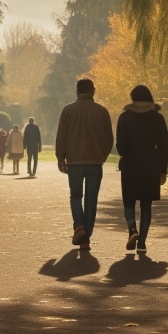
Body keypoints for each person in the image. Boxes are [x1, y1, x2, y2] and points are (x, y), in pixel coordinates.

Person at [56, 78, 113, 251]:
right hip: (95, 161)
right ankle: (85, 238)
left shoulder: (68, 110)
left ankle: (79, 226)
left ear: (77, 91)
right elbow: (109, 138)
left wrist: (61, 157)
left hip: (74, 162)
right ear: (93, 91)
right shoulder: (102, 111)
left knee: (75, 196)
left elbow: (62, 136)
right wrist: (102, 156)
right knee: (91, 200)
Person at [116, 85, 168, 254]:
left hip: (130, 163)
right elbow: (164, 146)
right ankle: (142, 242)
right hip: (150, 164)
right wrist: (163, 170)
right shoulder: (157, 118)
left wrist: (125, 152)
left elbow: (121, 146)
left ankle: (132, 229)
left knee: (129, 201)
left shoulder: (125, 117)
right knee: (146, 204)